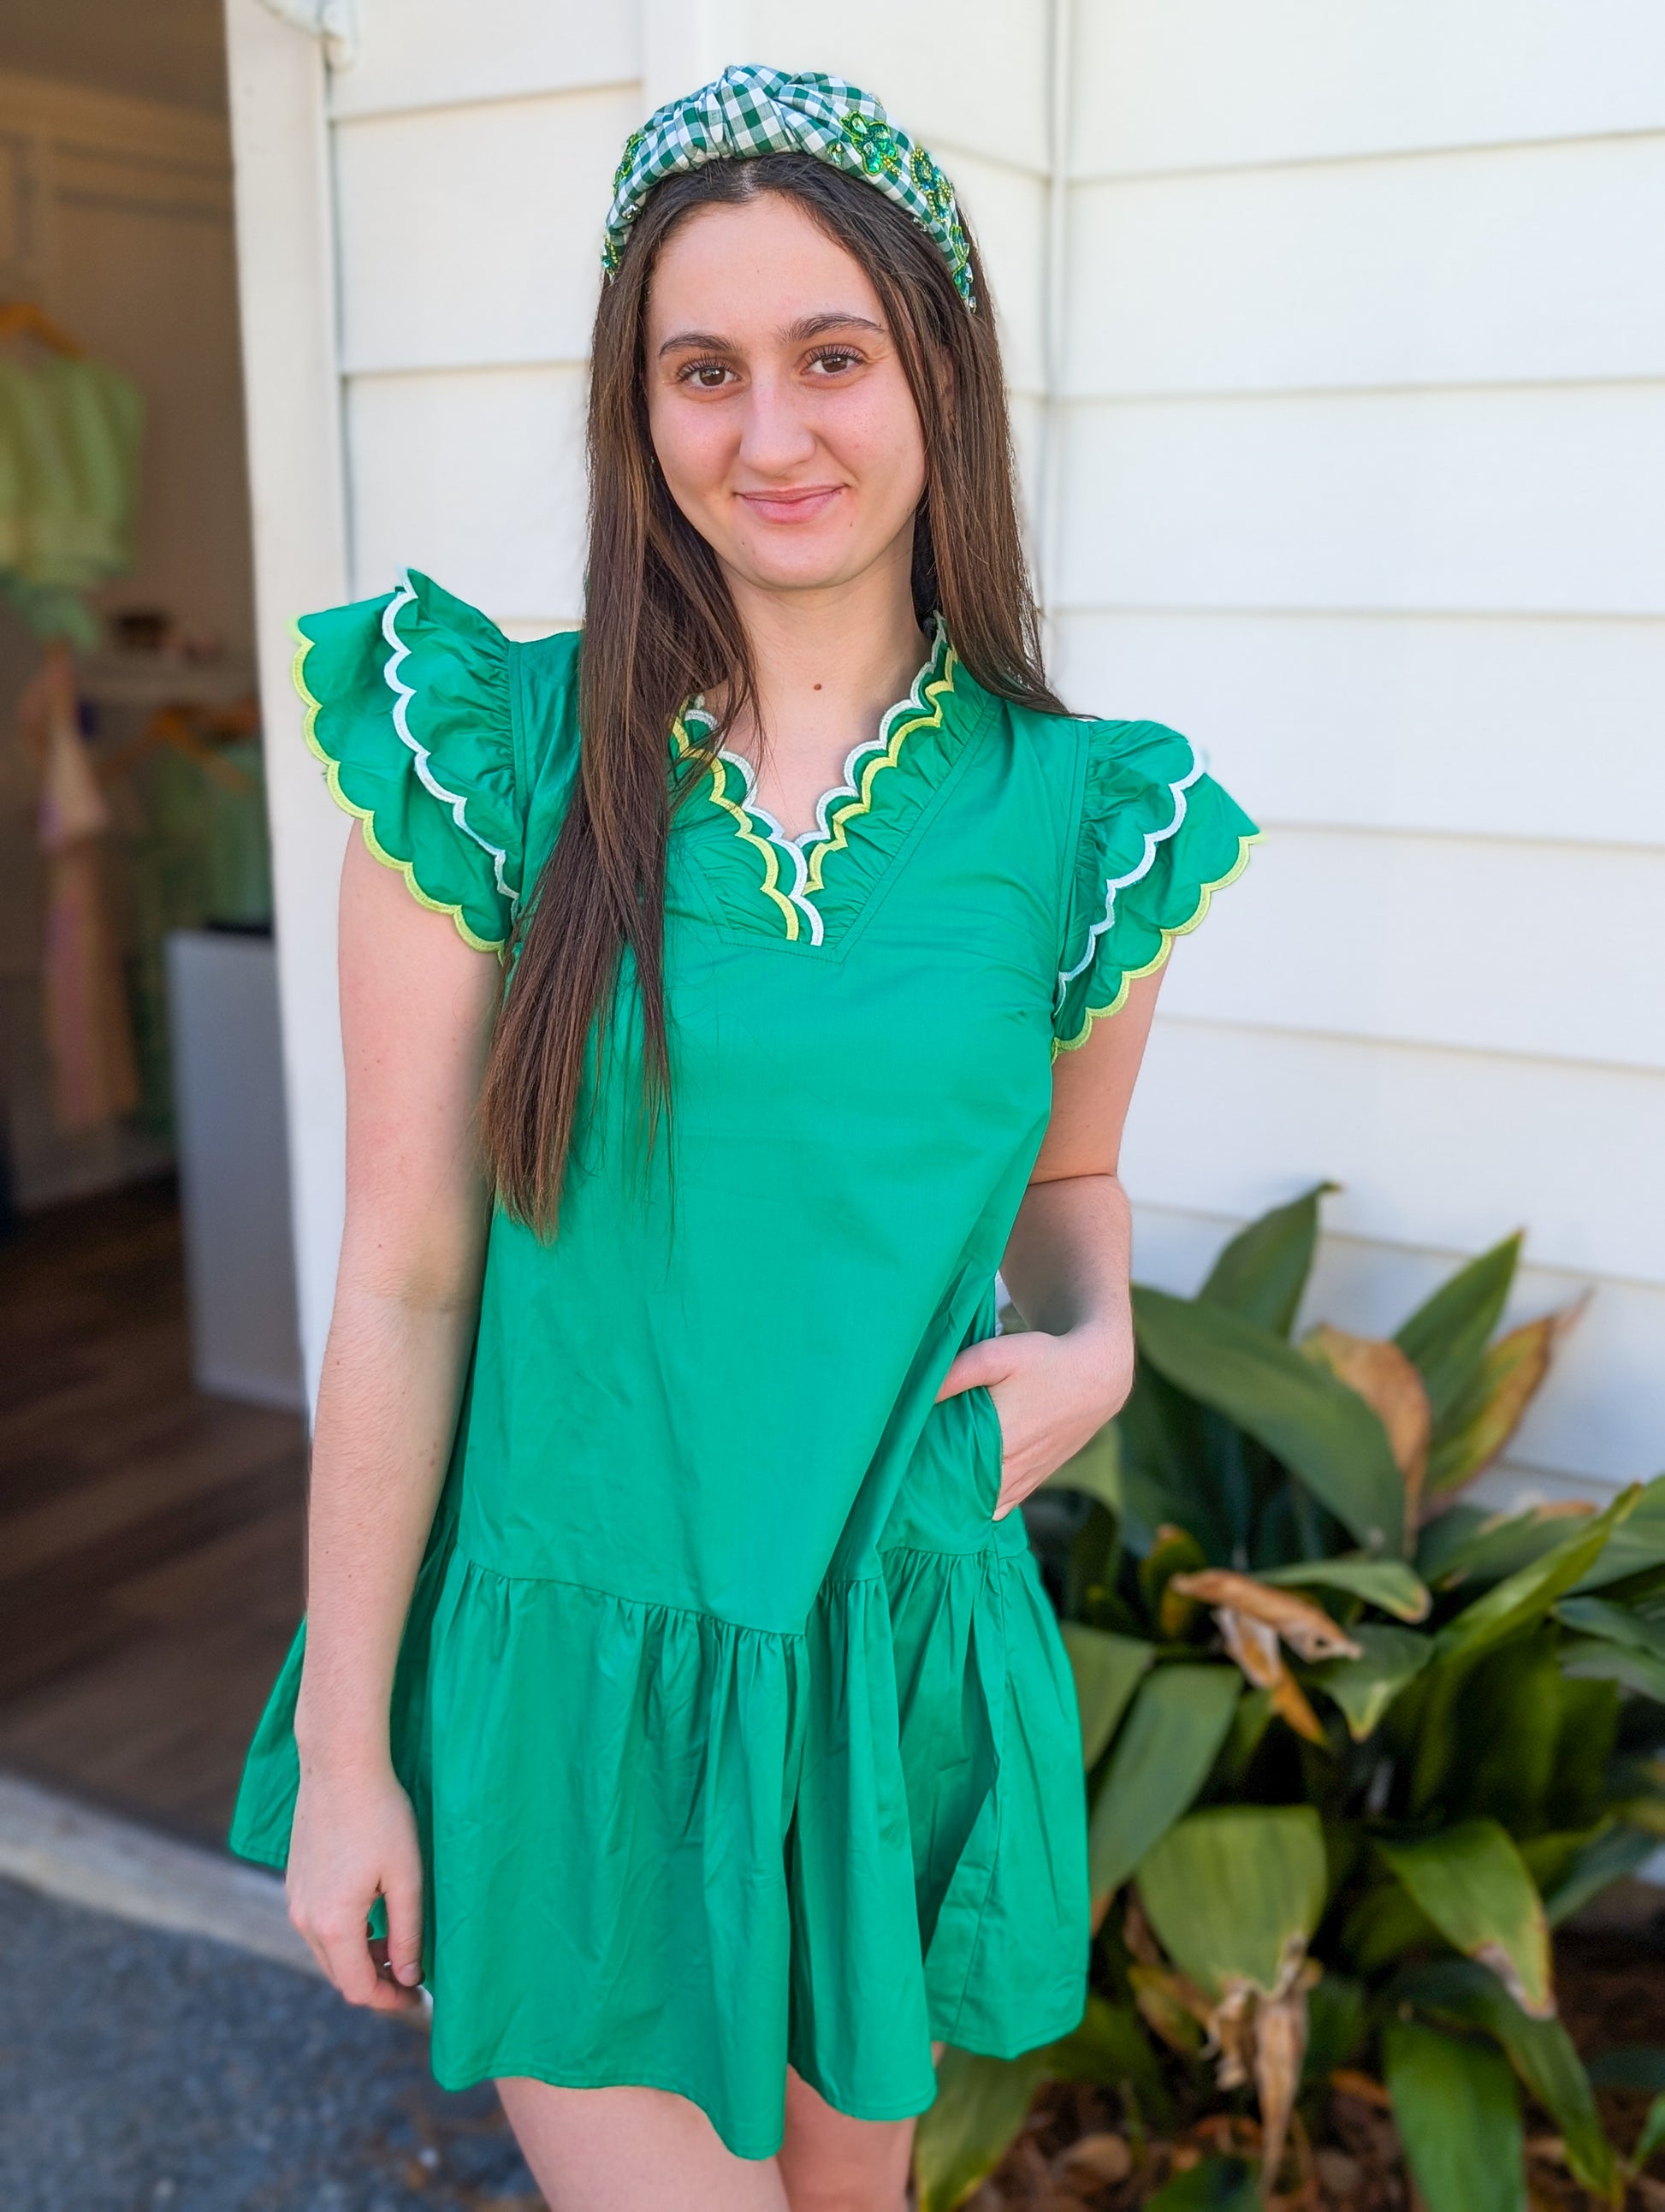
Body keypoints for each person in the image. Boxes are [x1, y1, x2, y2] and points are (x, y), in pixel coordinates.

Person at [229, 65, 1258, 2212]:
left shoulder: (1084, 816)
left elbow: (1065, 1187)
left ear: (938, 371)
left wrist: (1096, 1347)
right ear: (639, 408)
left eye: (831, 357)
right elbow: (406, 1273)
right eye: (703, 369)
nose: (769, 433)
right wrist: (344, 1750)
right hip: (571, 1683)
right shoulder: (488, 756)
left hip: (880, 1671)